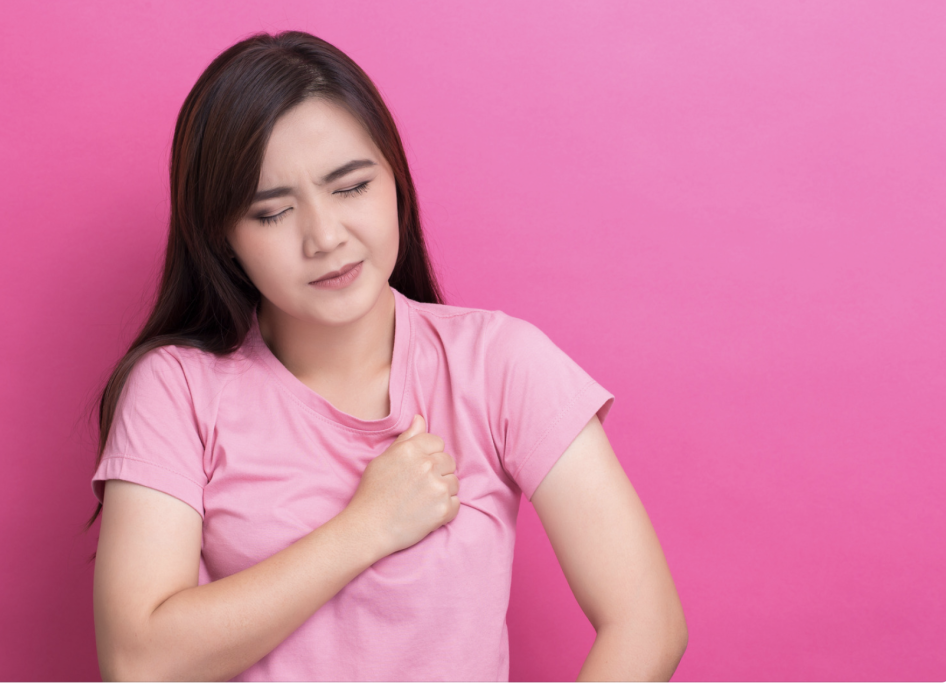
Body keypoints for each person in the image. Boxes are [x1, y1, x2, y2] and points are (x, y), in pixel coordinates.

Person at [88, 30, 687, 682]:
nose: (324, 236)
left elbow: (647, 620)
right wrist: (366, 527)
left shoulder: (498, 363)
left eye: (349, 187)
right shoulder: (175, 390)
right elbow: (138, 662)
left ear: (396, 182)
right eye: (270, 213)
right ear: (223, 238)